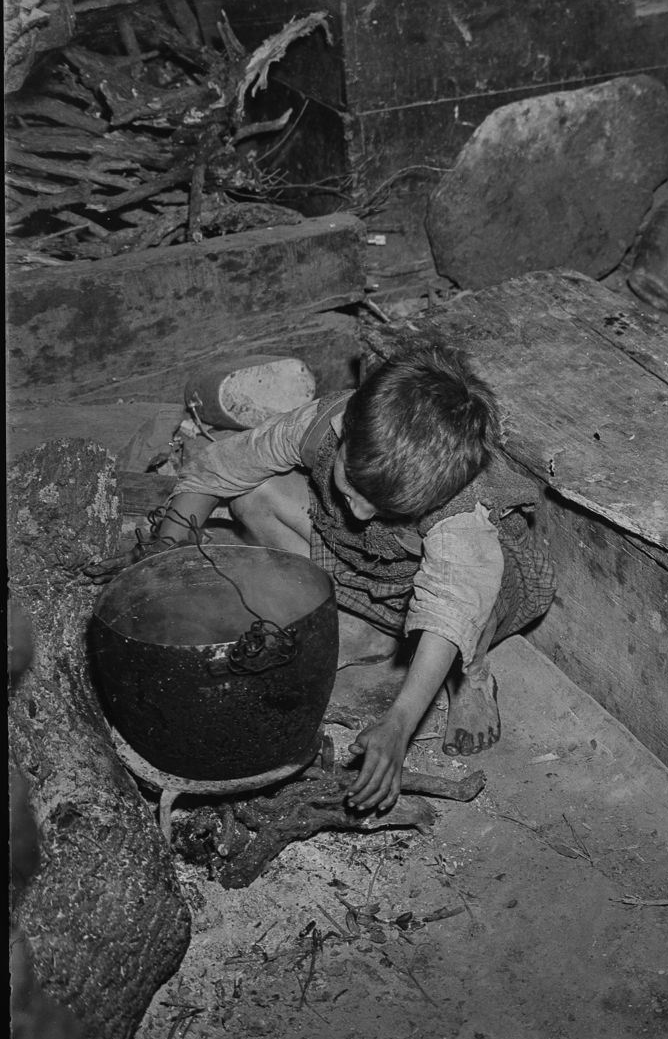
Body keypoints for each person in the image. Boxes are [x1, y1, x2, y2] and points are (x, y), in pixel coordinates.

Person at [131, 342, 554, 813]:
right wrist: (163, 556)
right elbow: (219, 470)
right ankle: (366, 625)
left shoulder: (460, 514)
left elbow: (449, 610)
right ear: (347, 429)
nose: (359, 510)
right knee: (252, 496)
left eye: (386, 506)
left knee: (472, 599)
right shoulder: (322, 423)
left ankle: (470, 681)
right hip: (362, 561)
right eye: (353, 485)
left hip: (456, 585)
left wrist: (398, 726)